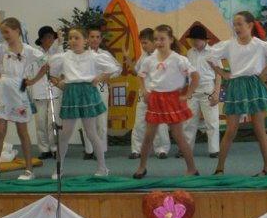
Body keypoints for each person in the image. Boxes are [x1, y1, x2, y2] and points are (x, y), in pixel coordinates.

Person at [208, 11, 267, 177]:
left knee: (259, 130)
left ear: (250, 25)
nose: (236, 27)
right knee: (230, 131)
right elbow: (210, 57)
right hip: (236, 86)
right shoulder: (229, 45)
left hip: (253, 86)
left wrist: (264, 71)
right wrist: (222, 73)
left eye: (240, 24)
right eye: (235, 25)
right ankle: (219, 169)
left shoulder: (259, 45)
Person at [48, 26, 121, 178]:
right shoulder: (64, 57)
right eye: (71, 38)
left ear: (85, 40)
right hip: (71, 94)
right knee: (64, 134)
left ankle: (102, 167)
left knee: (91, 132)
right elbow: (51, 73)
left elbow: (113, 68)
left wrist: (98, 78)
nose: (73, 41)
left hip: (88, 93)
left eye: (77, 38)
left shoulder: (93, 56)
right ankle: (58, 168)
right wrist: (59, 84)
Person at [0, 17, 45, 181]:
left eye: (7, 32)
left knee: (22, 131)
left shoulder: (29, 50)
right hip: (3, 89)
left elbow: (46, 64)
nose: (5, 36)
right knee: (0, 131)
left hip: (19, 90)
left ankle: (29, 169)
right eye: (3, 33)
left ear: (17, 31)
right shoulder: (0, 49)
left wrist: (34, 80)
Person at [133, 24, 200, 179]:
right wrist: (144, 91)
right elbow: (140, 76)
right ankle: (142, 167)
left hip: (172, 99)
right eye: (156, 39)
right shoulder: (149, 60)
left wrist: (188, 94)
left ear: (170, 39)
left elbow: (195, 76)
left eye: (162, 39)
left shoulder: (179, 59)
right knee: (148, 136)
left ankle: (192, 169)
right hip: (156, 99)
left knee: (178, 136)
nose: (159, 42)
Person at [123, 28, 171, 159]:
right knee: (139, 123)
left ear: (154, 42)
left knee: (160, 124)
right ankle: (136, 149)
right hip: (144, 95)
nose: (143, 46)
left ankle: (162, 149)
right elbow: (136, 72)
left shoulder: (162, 56)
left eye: (145, 43)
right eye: (142, 43)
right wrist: (127, 57)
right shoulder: (143, 57)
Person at [180, 25, 221, 158]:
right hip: (193, 89)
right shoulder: (190, 53)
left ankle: (214, 150)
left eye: (196, 39)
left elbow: (219, 74)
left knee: (212, 121)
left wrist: (216, 93)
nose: (193, 42)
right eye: (192, 39)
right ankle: (187, 149)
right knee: (189, 122)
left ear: (204, 39)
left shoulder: (213, 52)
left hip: (208, 88)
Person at [82, 28, 121, 159]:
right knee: (87, 121)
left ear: (100, 39)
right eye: (92, 36)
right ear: (87, 39)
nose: (94, 39)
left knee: (101, 121)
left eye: (97, 37)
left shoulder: (105, 54)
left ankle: (101, 150)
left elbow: (118, 69)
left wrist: (107, 76)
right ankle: (89, 150)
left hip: (101, 88)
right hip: (85, 90)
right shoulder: (82, 54)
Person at [31, 26, 64, 160]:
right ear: (42, 39)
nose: (51, 40)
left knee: (53, 122)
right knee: (40, 122)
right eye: (48, 37)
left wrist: (60, 42)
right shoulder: (34, 53)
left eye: (52, 37)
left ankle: (55, 148)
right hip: (38, 91)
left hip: (54, 90)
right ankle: (44, 149)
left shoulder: (57, 52)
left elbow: (62, 65)